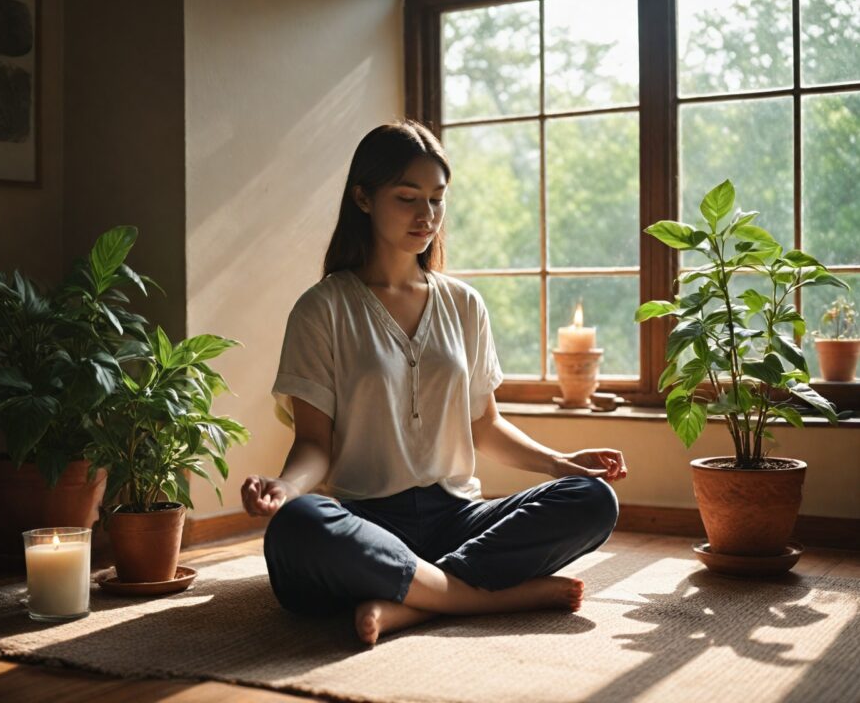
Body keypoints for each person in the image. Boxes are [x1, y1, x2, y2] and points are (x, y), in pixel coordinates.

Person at [242, 118, 628, 647]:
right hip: (366, 521)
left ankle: (413, 601)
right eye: (407, 198)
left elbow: (485, 426)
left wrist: (562, 463)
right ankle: (478, 595)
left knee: (592, 500)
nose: (426, 216)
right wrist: (285, 489)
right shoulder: (322, 309)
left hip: (456, 516)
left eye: (437, 199)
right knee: (299, 524)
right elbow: (314, 443)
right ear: (363, 197)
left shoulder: (464, 304)